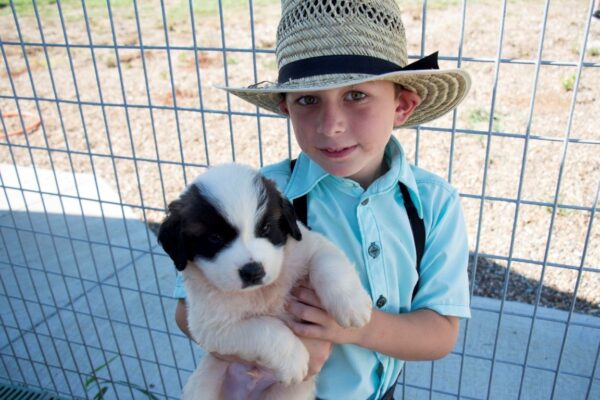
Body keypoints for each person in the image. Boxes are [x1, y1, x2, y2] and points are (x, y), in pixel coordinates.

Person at [173, 0, 471, 398]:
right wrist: (263, 345)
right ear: (286, 109)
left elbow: (440, 333)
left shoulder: (434, 205)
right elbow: (187, 313)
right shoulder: (258, 194)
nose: (331, 126)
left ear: (402, 105)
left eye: (357, 95)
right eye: (308, 100)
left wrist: (359, 328)